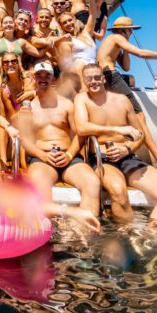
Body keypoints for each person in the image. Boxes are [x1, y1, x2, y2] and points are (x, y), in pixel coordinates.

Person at [74, 64, 157, 225]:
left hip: (128, 157)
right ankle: (127, 236)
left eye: (97, 77)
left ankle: (156, 239)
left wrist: (127, 148)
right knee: (118, 190)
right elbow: (82, 128)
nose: (94, 82)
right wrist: (119, 129)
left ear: (103, 78)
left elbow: (139, 134)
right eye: (89, 79)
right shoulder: (82, 99)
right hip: (101, 159)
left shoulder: (122, 100)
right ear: (84, 81)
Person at [97, 16, 157, 174]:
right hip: (110, 75)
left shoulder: (117, 41)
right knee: (139, 118)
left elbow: (125, 67)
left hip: (110, 76)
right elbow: (141, 53)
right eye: (130, 29)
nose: (131, 32)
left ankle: (145, 156)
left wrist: (125, 48)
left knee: (136, 118)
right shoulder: (116, 37)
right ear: (124, 30)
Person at [17, 62, 102, 224]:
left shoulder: (67, 104)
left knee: (92, 182)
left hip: (69, 157)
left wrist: (69, 154)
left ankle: (85, 236)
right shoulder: (28, 109)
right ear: (34, 79)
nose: (43, 79)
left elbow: (80, 134)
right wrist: (42, 154)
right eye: (39, 76)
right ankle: (49, 236)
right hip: (42, 158)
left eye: (47, 76)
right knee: (39, 186)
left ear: (53, 79)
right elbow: (26, 141)